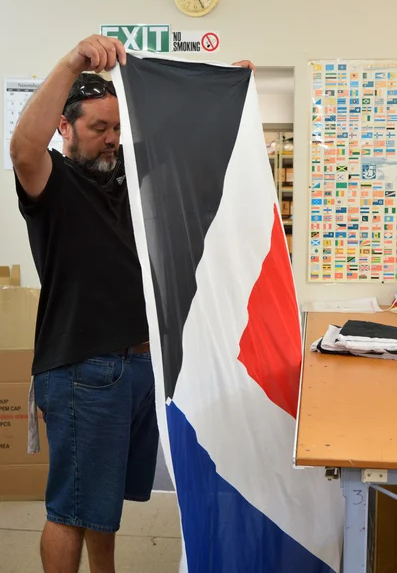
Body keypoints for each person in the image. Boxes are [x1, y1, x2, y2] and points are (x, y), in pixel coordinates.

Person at [10, 34, 256, 573]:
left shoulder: (125, 181)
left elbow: (184, 144)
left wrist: (226, 90)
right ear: (64, 127)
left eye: (117, 127)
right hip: (82, 371)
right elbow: (22, 147)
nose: (111, 139)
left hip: (137, 366)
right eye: (99, 128)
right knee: (71, 510)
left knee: (103, 505)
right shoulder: (52, 183)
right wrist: (72, 60)